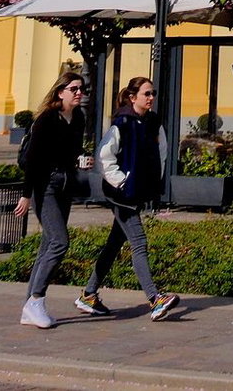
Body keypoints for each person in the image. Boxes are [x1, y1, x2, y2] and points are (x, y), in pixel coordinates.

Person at [76, 75, 180, 322]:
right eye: (146, 94)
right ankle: (155, 299)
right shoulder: (122, 123)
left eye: (153, 93)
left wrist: (154, 181)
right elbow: (103, 157)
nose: (151, 98)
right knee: (139, 242)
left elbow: (162, 153)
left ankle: (88, 294)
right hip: (121, 195)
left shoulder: (154, 122)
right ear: (133, 97)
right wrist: (122, 181)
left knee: (114, 244)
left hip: (139, 192)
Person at [13, 72, 89, 329]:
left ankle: (29, 307)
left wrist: (82, 159)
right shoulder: (47, 119)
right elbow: (33, 160)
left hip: (65, 184)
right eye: (74, 89)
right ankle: (36, 299)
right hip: (44, 186)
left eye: (81, 89)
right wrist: (26, 195)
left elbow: (74, 151)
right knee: (59, 242)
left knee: (48, 245)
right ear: (60, 92)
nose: (79, 93)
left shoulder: (78, 118)